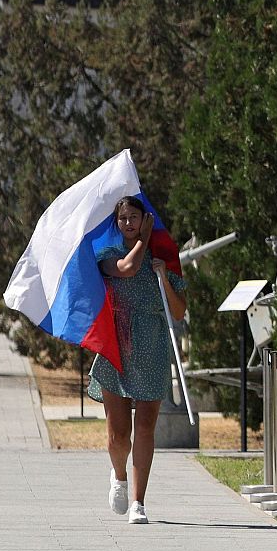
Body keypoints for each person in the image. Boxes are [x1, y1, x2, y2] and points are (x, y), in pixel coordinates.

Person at [88, 195, 187, 525]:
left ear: (146, 216)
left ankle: (138, 502)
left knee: (145, 426)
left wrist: (162, 278)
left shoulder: (163, 258)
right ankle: (118, 475)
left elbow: (178, 310)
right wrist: (144, 238)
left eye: (134, 216)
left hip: (152, 343)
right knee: (119, 434)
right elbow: (127, 269)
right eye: (123, 218)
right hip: (116, 343)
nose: (128, 222)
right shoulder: (107, 255)